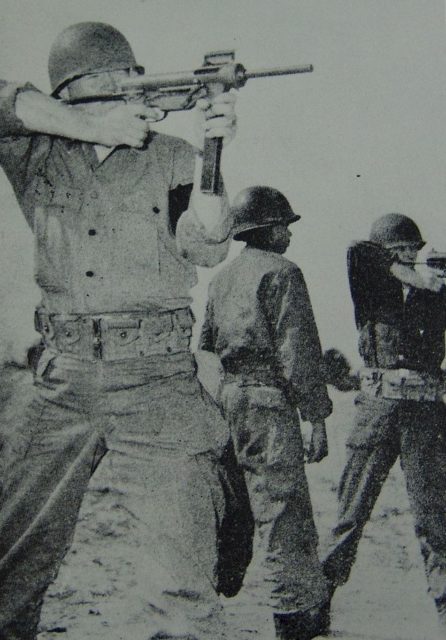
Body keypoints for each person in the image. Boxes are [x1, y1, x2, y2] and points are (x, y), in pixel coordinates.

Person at [0, 21, 253, 640]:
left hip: (159, 383)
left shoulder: (171, 155)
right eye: (111, 81)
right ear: (66, 95)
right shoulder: (35, 151)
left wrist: (215, 155)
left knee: (180, 586)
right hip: (63, 379)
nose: (132, 89)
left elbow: (202, 247)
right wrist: (88, 125)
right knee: (11, 571)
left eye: (135, 77)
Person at [199, 186, 333, 640]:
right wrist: (316, 416)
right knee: (283, 510)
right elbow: (298, 352)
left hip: (227, 400)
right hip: (268, 404)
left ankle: (216, 590)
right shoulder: (284, 273)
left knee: (232, 504)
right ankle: (294, 617)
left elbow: (206, 348)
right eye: (283, 226)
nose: (288, 234)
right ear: (267, 229)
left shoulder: (221, 278)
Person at [322, 213, 446, 629]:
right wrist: (411, 274)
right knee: (350, 514)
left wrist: (436, 271)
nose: (412, 257)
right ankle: (316, 604)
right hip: (377, 410)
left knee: (436, 518)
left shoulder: (437, 288)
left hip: (425, 416)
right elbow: (359, 251)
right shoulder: (374, 286)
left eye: (416, 250)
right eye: (403, 251)